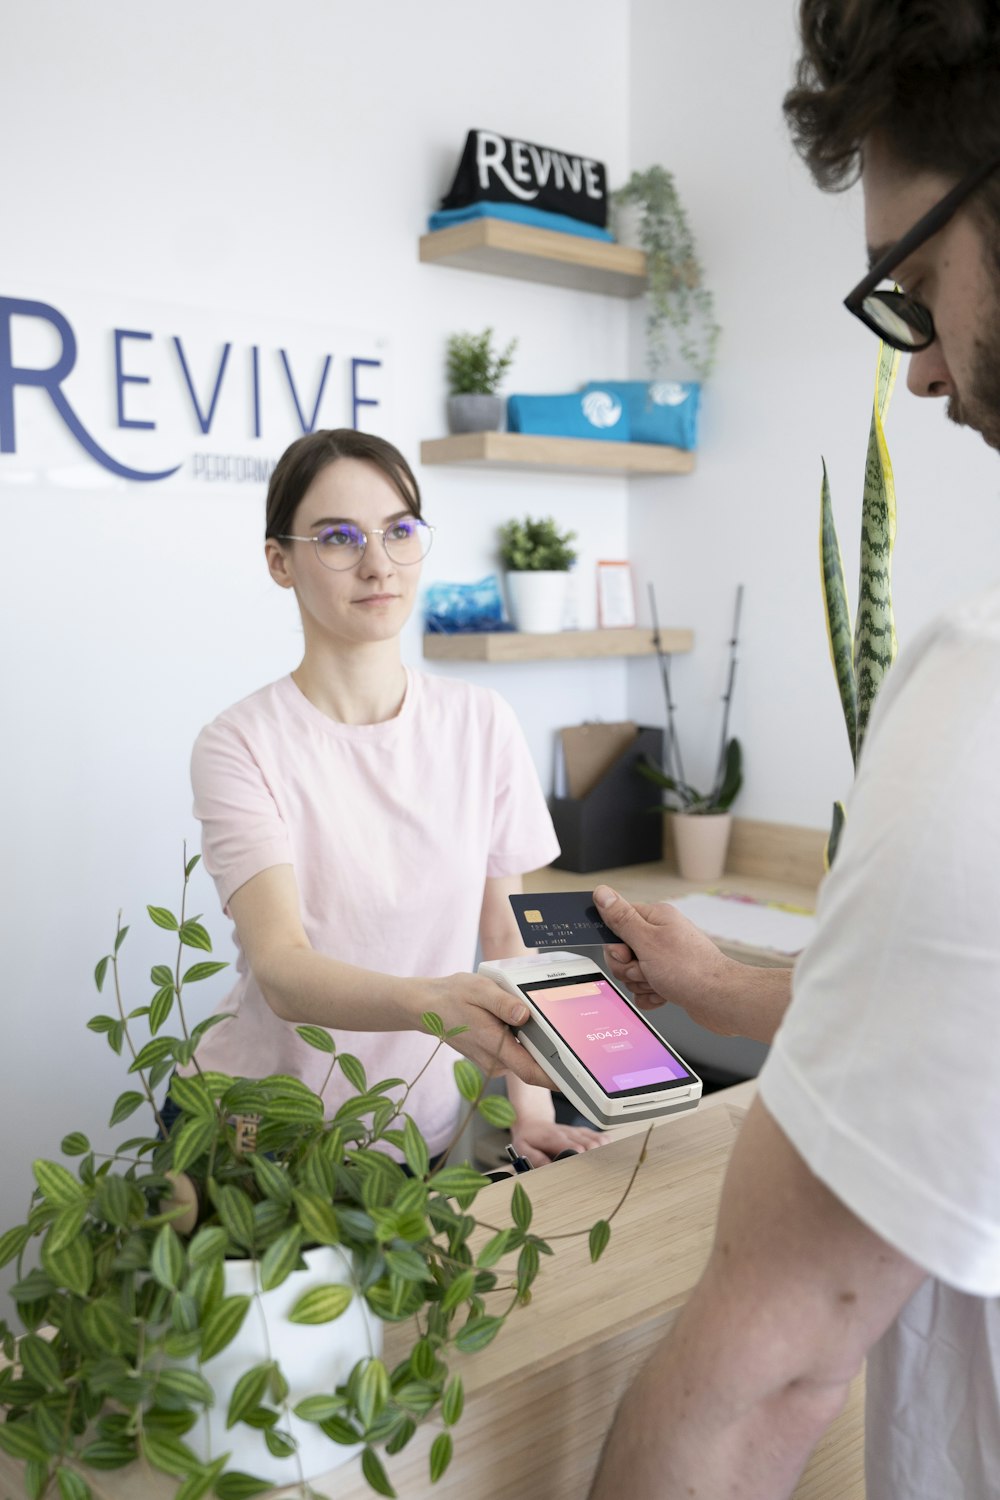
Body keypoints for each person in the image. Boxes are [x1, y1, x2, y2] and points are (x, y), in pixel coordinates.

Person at [588, 4, 1000, 1497]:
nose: (926, 371)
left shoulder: (985, 692)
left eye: (909, 287)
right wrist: (729, 988)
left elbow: (768, 1375)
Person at [184, 428, 597, 1169]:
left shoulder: (482, 722)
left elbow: (506, 940)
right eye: (339, 537)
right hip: (260, 1133)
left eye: (399, 531)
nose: (378, 564)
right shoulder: (240, 743)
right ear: (280, 561)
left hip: (414, 1134)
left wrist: (531, 1108)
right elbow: (280, 967)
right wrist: (429, 1003)